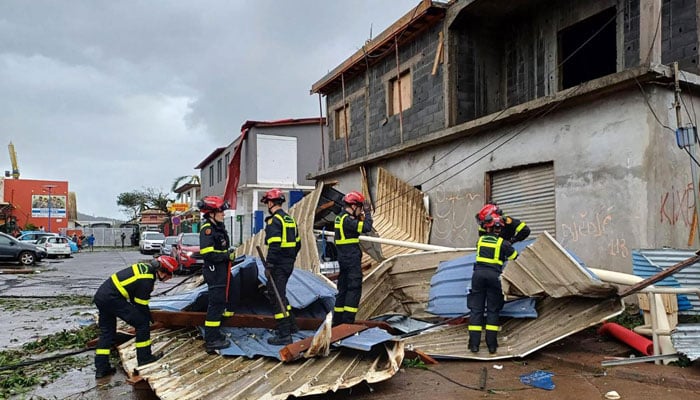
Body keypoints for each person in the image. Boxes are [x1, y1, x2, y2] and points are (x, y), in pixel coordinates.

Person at [93, 255, 177, 378]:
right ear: (163, 271)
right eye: (170, 275)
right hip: (113, 299)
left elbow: (134, 297)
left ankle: (101, 369)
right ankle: (144, 358)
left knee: (107, 333)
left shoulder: (143, 268)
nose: (169, 278)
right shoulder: (148, 278)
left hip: (102, 297)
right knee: (142, 324)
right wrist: (149, 318)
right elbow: (140, 303)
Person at [468, 215, 518, 354]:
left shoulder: (480, 241)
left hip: (478, 276)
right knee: (492, 310)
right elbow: (515, 257)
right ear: (500, 229)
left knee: (476, 310)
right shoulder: (503, 243)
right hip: (494, 277)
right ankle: (491, 346)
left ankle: (474, 345)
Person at [261, 188, 301, 345]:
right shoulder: (289, 219)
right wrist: (290, 258)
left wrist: (269, 265)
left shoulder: (274, 221)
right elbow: (298, 243)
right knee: (281, 294)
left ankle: (284, 334)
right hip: (288, 263)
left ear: (270, 203)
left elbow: (274, 245)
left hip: (278, 265)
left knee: (276, 296)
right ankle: (292, 325)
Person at [198, 196, 235, 352]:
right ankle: (211, 339)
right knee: (215, 304)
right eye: (220, 211)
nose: (223, 214)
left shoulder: (218, 228)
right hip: (214, 272)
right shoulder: (208, 229)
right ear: (211, 213)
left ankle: (215, 333)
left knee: (220, 303)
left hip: (220, 271)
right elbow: (207, 253)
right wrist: (226, 256)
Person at [332, 191, 373, 326]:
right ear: (354, 206)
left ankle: (337, 322)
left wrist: (359, 217)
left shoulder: (340, 218)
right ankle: (348, 323)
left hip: (343, 259)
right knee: (354, 289)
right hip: (351, 259)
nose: (361, 210)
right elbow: (366, 227)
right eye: (360, 207)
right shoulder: (348, 220)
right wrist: (367, 214)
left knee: (343, 289)